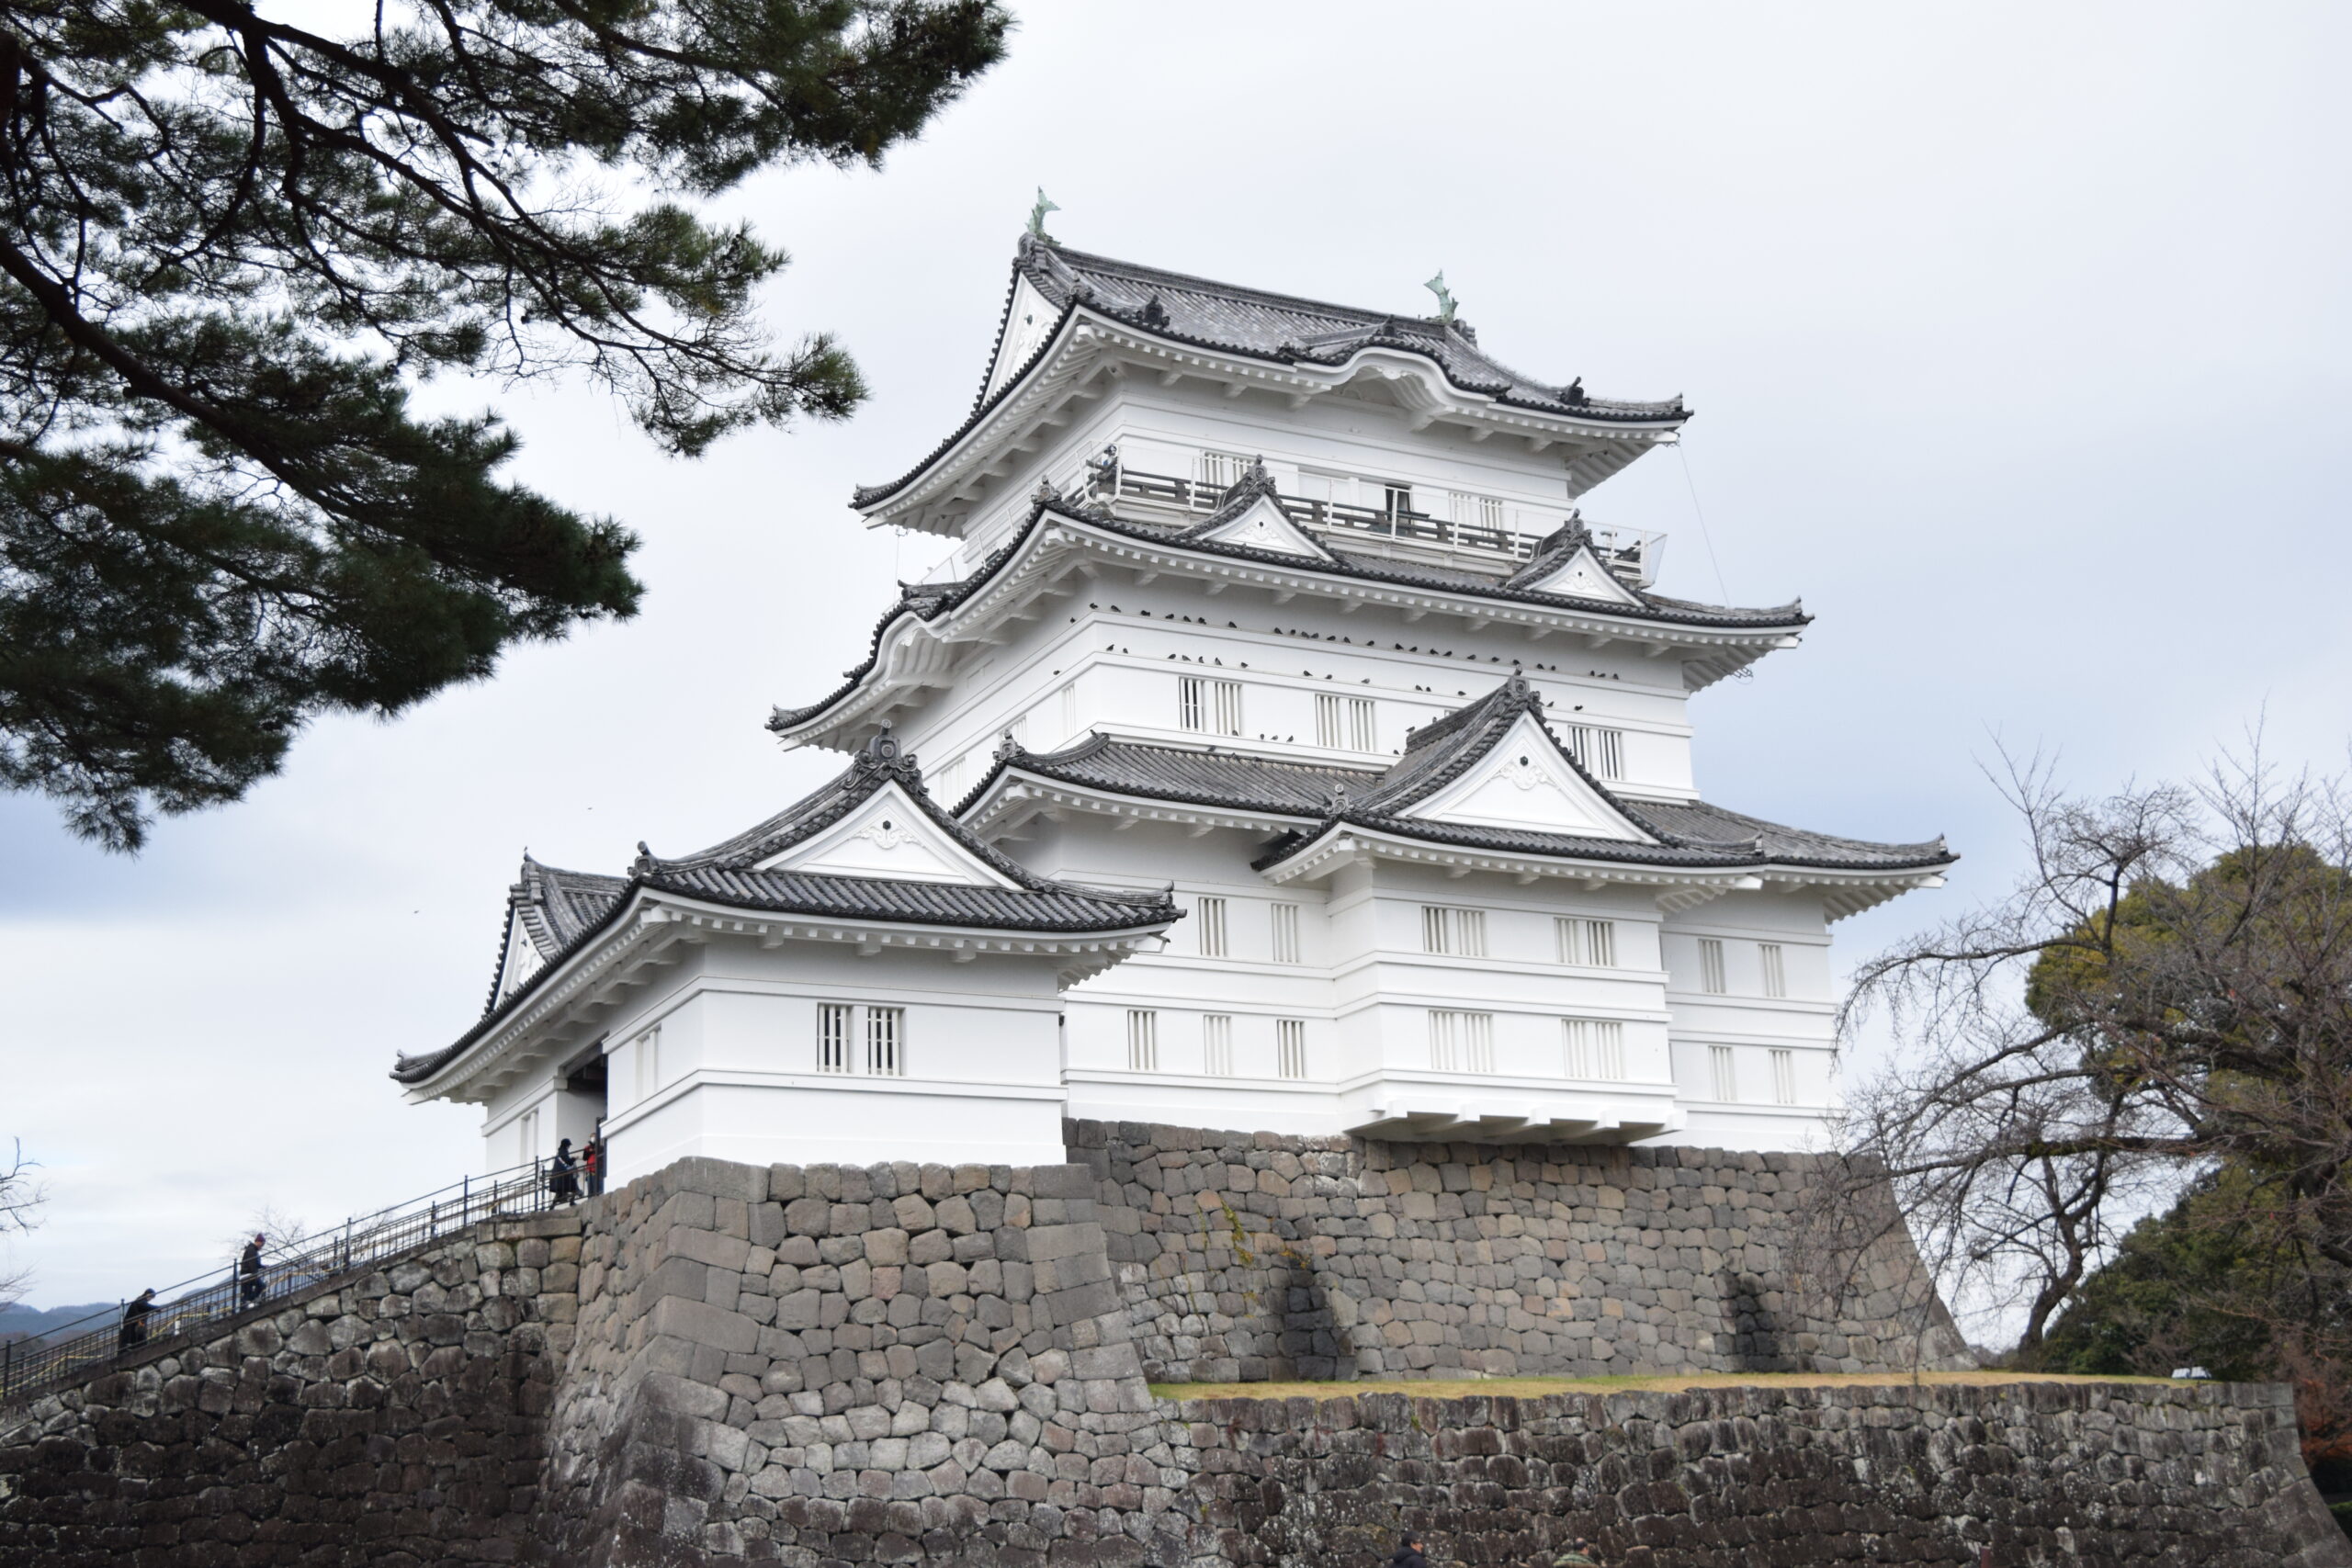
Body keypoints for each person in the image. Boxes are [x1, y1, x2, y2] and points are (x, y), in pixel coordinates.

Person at [118, 1288, 156, 1352]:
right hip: (133, 1324)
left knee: (138, 1339)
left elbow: (147, 1307)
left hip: (134, 1324)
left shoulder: (140, 1300)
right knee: (139, 1339)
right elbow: (146, 1306)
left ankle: (137, 1349)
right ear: (147, 1294)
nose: (150, 1299)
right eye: (151, 1297)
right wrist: (158, 1308)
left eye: (152, 1297)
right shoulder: (141, 1300)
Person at [549, 1137, 580, 1204]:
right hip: (563, 1176)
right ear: (566, 1145)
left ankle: (553, 1205)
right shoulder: (564, 1151)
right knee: (574, 1185)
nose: (569, 1147)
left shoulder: (560, 1152)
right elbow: (568, 1162)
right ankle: (573, 1200)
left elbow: (565, 1162)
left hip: (558, 1176)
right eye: (568, 1145)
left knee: (559, 1193)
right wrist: (574, 1158)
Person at [239, 1233, 266, 1307]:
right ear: (258, 1242)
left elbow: (254, 1263)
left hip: (247, 1274)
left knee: (247, 1292)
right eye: (262, 1244)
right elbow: (252, 1263)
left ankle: (247, 1302)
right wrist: (255, 1275)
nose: (262, 1246)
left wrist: (262, 1266)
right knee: (261, 1286)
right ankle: (250, 1300)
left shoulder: (252, 1249)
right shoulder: (252, 1250)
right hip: (248, 1274)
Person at [582, 1134, 603, 1198]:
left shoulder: (601, 1147)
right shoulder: (587, 1148)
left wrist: (594, 1150)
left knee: (598, 1186)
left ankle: (598, 1197)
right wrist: (590, 1151)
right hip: (589, 1169)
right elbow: (584, 1158)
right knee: (590, 1187)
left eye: (594, 1137)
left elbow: (601, 1156)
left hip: (598, 1169)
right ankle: (590, 1198)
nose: (593, 1138)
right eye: (592, 1137)